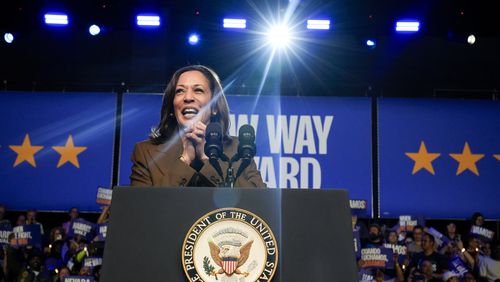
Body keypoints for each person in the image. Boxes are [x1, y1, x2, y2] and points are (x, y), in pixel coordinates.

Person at [130, 65, 265, 188]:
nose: (188, 97)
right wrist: (185, 159)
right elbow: (141, 209)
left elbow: (258, 203)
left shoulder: (238, 150)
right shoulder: (146, 153)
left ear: (214, 107)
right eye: (180, 91)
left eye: (198, 90)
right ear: (172, 106)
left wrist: (208, 158)